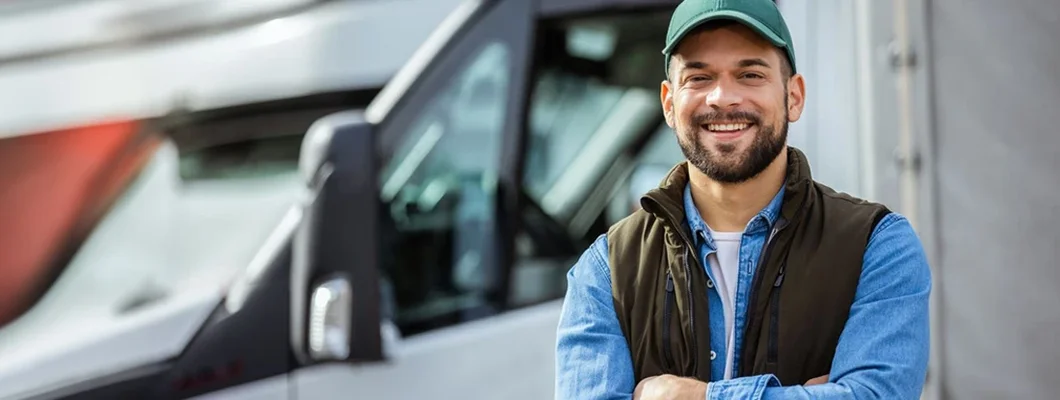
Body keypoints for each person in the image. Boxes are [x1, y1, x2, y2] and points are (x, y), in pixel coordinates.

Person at [553, 0, 932, 399]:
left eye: (750, 74)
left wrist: (695, 397)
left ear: (794, 96)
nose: (722, 97)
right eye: (699, 78)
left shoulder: (877, 247)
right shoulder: (606, 270)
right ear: (668, 102)